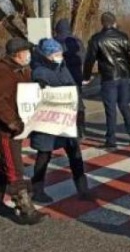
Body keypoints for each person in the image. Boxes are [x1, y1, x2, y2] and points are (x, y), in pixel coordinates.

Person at [0, 38, 45, 225]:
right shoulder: (2, 72)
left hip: (19, 126)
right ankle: (26, 209)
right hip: (7, 129)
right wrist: (13, 122)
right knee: (14, 167)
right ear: (17, 54)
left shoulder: (21, 70)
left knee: (5, 163)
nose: (29, 55)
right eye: (26, 51)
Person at [30, 38, 89, 203]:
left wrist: (80, 111)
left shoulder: (62, 67)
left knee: (74, 153)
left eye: (60, 54)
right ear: (48, 55)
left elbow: (73, 88)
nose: (59, 56)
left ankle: (83, 189)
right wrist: (41, 87)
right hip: (48, 121)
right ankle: (37, 189)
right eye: (56, 54)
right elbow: (37, 92)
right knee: (44, 154)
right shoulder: (39, 71)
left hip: (66, 118)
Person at [82, 12, 130, 149]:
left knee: (110, 109)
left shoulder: (96, 39)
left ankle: (111, 139)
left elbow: (90, 60)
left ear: (102, 23)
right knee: (124, 105)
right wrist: (128, 72)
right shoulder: (123, 37)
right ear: (114, 22)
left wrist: (86, 76)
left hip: (108, 77)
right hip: (123, 76)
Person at [54, 18, 87, 139]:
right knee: (78, 104)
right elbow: (83, 58)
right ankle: (80, 129)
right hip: (76, 77)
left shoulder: (54, 42)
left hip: (60, 78)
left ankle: (64, 129)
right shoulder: (78, 41)